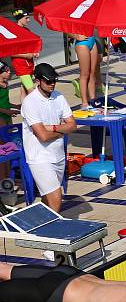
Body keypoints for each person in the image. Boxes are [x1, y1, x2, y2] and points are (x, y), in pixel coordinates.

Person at [20, 64, 76, 212]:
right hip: (39, 158)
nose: (52, 84)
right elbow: (43, 136)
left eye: (54, 80)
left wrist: (54, 128)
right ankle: (53, 233)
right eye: (48, 81)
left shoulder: (59, 96)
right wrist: (62, 131)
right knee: (56, 198)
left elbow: (73, 125)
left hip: (58, 156)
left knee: (47, 199)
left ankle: (35, 228)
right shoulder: (30, 102)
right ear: (37, 81)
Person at [71, 0, 102, 110]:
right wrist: (75, 35)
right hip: (82, 41)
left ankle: (93, 100)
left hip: (91, 38)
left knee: (92, 72)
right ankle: (84, 102)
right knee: (84, 73)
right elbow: (66, 23)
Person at [10, 10, 36, 104]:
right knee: (31, 89)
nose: (28, 20)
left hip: (29, 63)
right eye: (26, 18)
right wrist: (26, 55)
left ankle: (24, 109)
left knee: (24, 88)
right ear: (19, 19)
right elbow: (10, 52)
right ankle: (35, 111)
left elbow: (31, 45)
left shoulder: (26, 30)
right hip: (20, 65)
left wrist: (34, 52)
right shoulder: (12, 32)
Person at [0, 62, 18, 126]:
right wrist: (7, 112)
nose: (9, 72)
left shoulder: (5, 83)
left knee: (10, 132)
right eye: (6, 71)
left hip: (7, 114)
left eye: (9, 70)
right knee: (4, 133)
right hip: (1, 116)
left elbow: (4, 101)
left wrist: (16, 106)